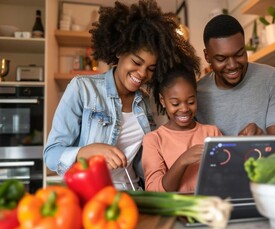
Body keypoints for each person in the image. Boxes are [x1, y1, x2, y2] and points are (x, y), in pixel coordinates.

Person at [44, 0, 199, 190]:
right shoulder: (82, 89)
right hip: (90, 194)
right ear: (119, 52)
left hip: (135, 195)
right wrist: (87, 151)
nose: (142, 74)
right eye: (136, 62)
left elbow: (149, 160)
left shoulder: (146, 102)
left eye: (151, 68)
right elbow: (51, 155)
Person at [196, 14, 275, 155]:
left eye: (239, 54)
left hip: (264, 176)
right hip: (219, 177)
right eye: (221, 58)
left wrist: (261, 140)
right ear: (207, 56)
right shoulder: (196, 95)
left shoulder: (273, 80)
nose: (232, 65)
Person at [142, 66, 222, 192]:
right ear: (163, 101)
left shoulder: (212, 132)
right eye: (175, 103)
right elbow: (154, 191)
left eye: (190, 102)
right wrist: (182, 161)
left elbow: (229, 175)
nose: (184, 109)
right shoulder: (153, 140)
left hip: (212, 207)